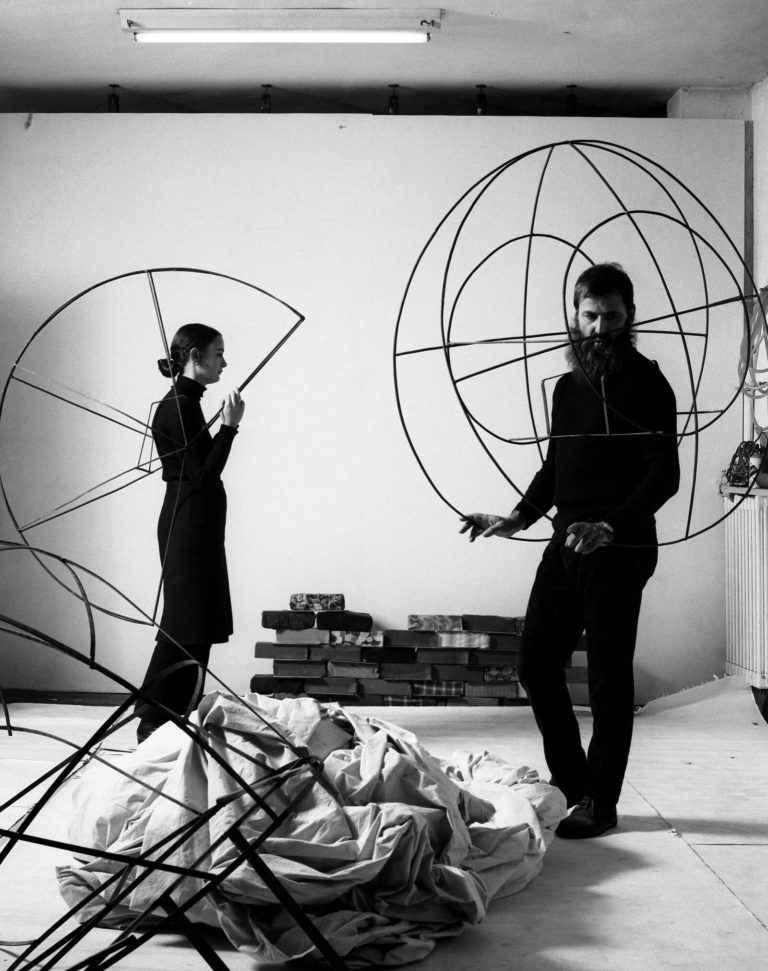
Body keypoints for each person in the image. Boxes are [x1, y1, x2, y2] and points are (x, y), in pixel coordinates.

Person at [460, 262, 679, 838]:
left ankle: (600, 803)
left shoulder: (649, 384)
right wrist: (517, 518)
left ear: (630, 316)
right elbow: (556, 467)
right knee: (536, 664)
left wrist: (611, 524)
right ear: (575, 317)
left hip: (621, 547)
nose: (600, 327)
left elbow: (664, 475)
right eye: (591, 316)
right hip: (566, 542)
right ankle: (573, 782)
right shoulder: (567, 385)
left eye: (612, 316)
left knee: (608, 679)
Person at [136, 323, 245, 744]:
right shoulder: (179, 406)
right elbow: (202, 476)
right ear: (195, 356)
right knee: (185, 625)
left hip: (195, 526)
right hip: (187, 527)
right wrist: (230, 427)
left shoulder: (187, 403)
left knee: (196, 625)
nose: (224, 362)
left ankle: (173, 716)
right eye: (218, 353)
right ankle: (153, 719)